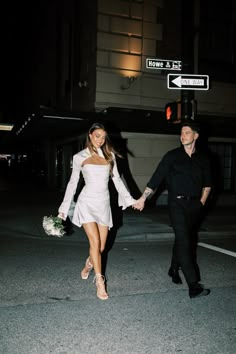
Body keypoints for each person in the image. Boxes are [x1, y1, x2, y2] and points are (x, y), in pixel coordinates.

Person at [58, 122, 136, 300]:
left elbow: (117, 181)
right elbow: (72, 184)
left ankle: (89, 263)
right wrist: (63, 209)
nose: (100, 140)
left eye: (103, 136)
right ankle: (100, 283)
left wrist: (130, 200)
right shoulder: (80, 157)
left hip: (103, 204)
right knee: (95, 243)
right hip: (86, 203)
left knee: (101, 247)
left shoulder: (109, 157)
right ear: (90, 135)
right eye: (97, 136)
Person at [134, 121, 212, 299]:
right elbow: (156, 178)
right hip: (176, 204)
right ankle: (193, 285)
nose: (182, 136)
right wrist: (143, 198)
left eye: (186, 132)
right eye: (181, 133)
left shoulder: (204, 159)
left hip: (195, 205)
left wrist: (201, 203)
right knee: (185, 241)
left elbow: (207, 185)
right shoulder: (172, 156)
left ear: (196, 136)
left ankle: (173, 268)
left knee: (184, 239)